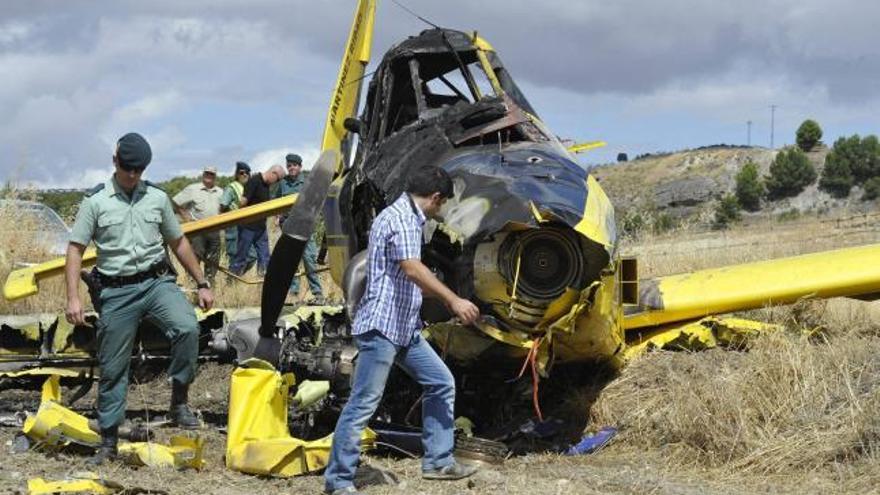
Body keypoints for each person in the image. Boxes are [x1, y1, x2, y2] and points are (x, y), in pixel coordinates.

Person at [324, 165, 480, 495]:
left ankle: (438, 462)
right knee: (364, 402)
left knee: (440, 382)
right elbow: (411, 268)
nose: (442, 210)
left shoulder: (400, 215)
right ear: (435, 198)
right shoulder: (404, 220)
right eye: (443, 204)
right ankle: (338, 480)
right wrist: (453, 300)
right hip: (382, 327)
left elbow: (401, 275)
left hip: (403, 327)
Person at [64, 132, 214, 465]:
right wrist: (74, 298)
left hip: (156, 283)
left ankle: (179, 401)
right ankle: (107, 443)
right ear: (116, 162)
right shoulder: (96, 201)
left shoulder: (157, 199)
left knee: (188, 328)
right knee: (114, 364)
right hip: (116, 291)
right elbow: (75, 251)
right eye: (128, 168)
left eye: (139, 170)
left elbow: (178, 243)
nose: (133, 175)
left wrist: (202, 282)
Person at [274, 153, 324, 303]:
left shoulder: (308, 181)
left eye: (294, 165)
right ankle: (293, 293)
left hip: (305, 226)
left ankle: (317, 293)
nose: (291, 168)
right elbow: (277, 201)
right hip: (288, 226)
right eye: (289, 166)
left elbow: (317, 200)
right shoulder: (283, 183)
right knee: (292, 261)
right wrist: (277, 217)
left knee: (309, 259)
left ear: (300, 166)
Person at [230, 164, 285, 276]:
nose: (276, 182)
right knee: (241, 257)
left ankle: (263, 282)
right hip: (247, 227)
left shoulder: (266, 186)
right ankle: (231, 280)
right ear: (273, 173)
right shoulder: (254, 181)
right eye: (277, 179)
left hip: (260, 228)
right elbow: (243, 202)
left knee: (265, 257)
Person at [172, 166, 222, 285]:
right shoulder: (193, 189)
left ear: (215, 176)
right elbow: (175, 202)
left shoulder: (220, 192)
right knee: (195, 257)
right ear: (203, 174)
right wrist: (186, 217)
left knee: (213, 260)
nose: (209, 176)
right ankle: (193, 284)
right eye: (207, 173)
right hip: (197, 231)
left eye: (211, 174)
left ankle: (210, 283)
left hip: (215, 230)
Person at [220, 161, 257, 274]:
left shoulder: (248, 189)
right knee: (235, 258)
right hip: (234, 229)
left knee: (252, 257)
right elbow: (223, 206)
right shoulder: (232, 188)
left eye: (247, 173)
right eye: (241, 173)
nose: (245, 175)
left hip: (246, 228)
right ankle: (231, 284)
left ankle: (235, 278)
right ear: (237, 174)